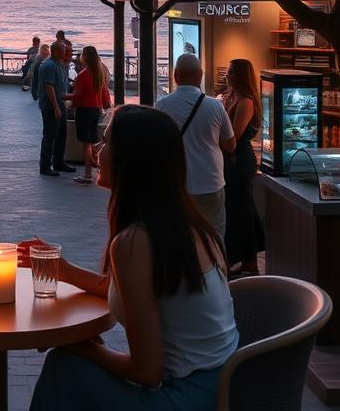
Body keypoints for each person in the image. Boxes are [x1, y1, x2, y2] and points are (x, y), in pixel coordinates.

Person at [24, 105, 238, 411]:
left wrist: (83, 348)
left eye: (108, 142)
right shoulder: (188, 226)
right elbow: (128, 289)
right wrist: (64, 270)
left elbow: (147, 373)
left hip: (188, 398)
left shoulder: (135, 243)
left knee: (64, 366)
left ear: (133, 160)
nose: (98, 149)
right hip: (224, 386)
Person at [155, 54, 235, 240]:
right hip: (211, 182)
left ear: (175, 75)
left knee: (179, 235)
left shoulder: (162, 106)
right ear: (200, 75)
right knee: (214, 235)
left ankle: (184, 268)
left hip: (176, 183)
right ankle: (214, 267)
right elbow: (230, 145)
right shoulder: (215, 106)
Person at [219, 59, 264, 277]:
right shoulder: (232, 97)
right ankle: (243, 258)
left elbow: (234, 136)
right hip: (232, 159)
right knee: (237, 208)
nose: (226, 76)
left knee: (241, 209)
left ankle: (248, 260)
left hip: (240, 160)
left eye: (229, 72)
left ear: (239, 76)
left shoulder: (245, 102)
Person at [66, 46, 112, 184]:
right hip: (95, 110)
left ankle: (87, 174)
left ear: (84, 57)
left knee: (85, 144)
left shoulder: (83, 75)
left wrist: (61, 96)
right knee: (90, 141)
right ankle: (94, 165)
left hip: (84, 111)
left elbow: (77, 95)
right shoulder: (98, 73)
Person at [36, 41, 76, 176]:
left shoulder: (58, 65)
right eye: (64, 50)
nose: (66, 52)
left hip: (59, 104)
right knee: (50, 136)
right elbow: (49, 87)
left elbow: (60, 87)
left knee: (61, 135)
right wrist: (56, 107)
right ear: (57, 51)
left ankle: (59, 162)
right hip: (51, 106)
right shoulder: (49, 66)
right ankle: (45, 166)